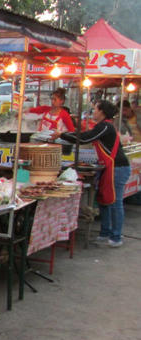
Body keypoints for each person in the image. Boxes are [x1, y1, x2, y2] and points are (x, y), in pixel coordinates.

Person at [52, 100, 130, 248]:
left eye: (95, 109)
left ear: (102, 112)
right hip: (109, 167)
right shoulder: (103, 126)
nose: (93, 112)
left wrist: (62, 134)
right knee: (104, 201)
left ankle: (116, 236)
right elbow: (86, 135)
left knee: (115, 202)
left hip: (118, 168)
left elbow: (85, 137)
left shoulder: (105, 126)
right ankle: (104, 233)